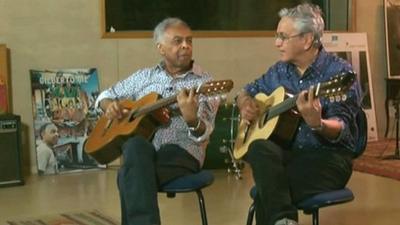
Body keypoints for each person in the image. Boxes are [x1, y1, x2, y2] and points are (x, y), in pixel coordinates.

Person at [235, 3, 362, 225]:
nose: (277, 43)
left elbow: (346, 131)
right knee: (258, 147)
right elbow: (245, 91)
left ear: (306, 40)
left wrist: (318, 124)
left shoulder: (339, 73)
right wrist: (245, 102)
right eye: (277, 36)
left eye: (283, 37)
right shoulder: (279, 71)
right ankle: (284, 219)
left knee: (270, 192)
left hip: (328, 159)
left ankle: (283, 218)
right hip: (287, 157)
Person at [95, 17, 219, 225]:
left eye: (189, 41)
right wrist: (109, 105)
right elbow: (105, 95)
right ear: (160, 48)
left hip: (182, 152)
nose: (185, 46)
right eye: (177, 41)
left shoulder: (204, 83)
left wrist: (191, 119)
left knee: (128, 177)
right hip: (146, 152)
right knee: (134, 145)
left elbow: (204, 133)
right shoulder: (144, 76)